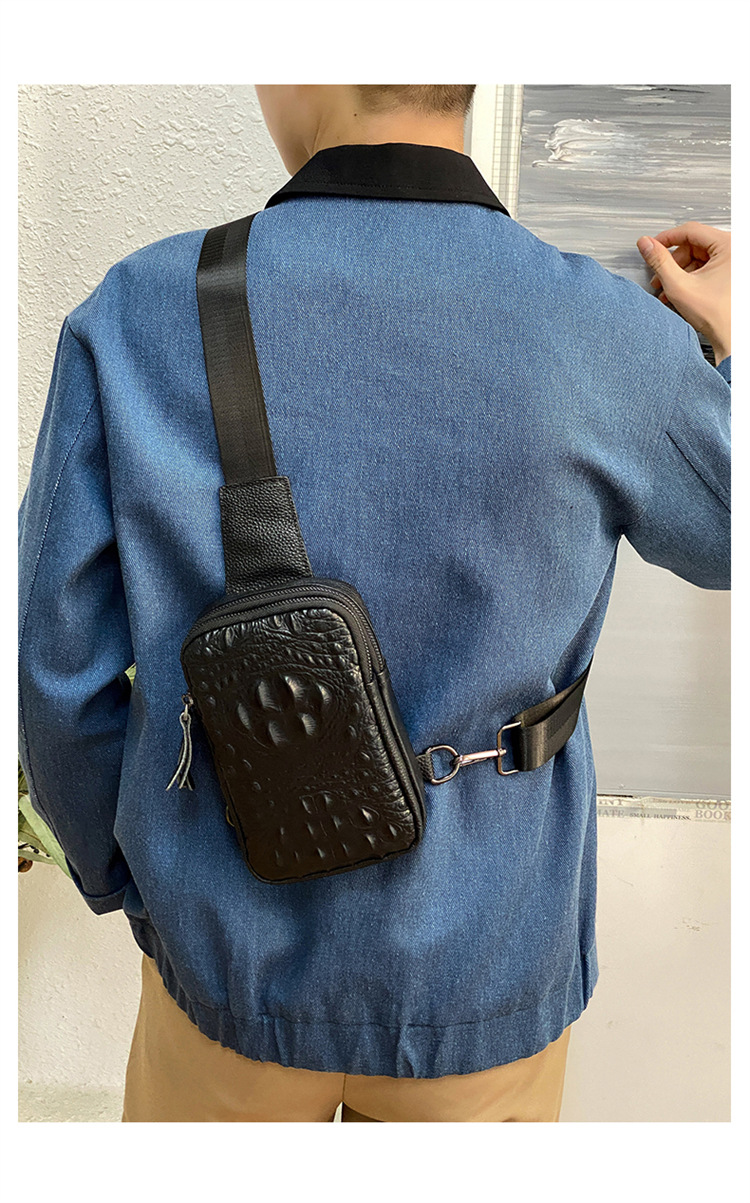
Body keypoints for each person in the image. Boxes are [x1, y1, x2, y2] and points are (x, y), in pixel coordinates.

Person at [17, 84, 730, 1123]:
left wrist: (138, 880)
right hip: (484, 983)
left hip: (223, 975)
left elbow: (55, 672)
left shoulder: (135, 311)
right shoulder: (613, 334)